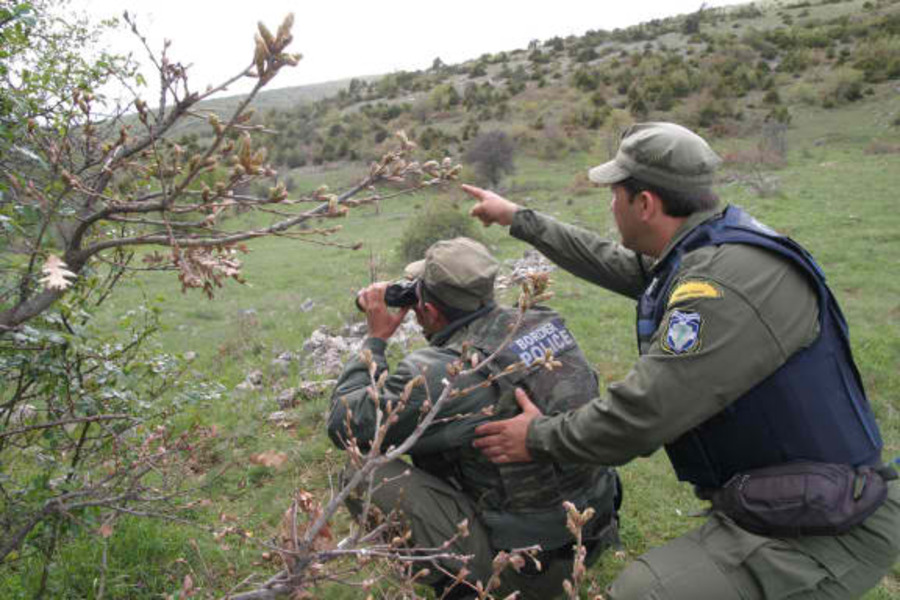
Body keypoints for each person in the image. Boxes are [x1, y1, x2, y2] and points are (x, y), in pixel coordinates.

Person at [461, 122, 900, 599]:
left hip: (829, 525)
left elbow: (640, 417)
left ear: (645, 204)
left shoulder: (718, 288)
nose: (610, 205)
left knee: (642, 593)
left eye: (615, 194)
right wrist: (517, 218)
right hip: (794, 499)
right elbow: (616, 262)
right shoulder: (710, 247)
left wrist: (538, 436)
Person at [327, 237, 621, 599]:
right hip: (590, 532)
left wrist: (374, 341)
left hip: (529, 569)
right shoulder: (542, 321)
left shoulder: (444, 373)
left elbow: (345, 424)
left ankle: (467, 587)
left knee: (360, 474)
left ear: (429, 312)